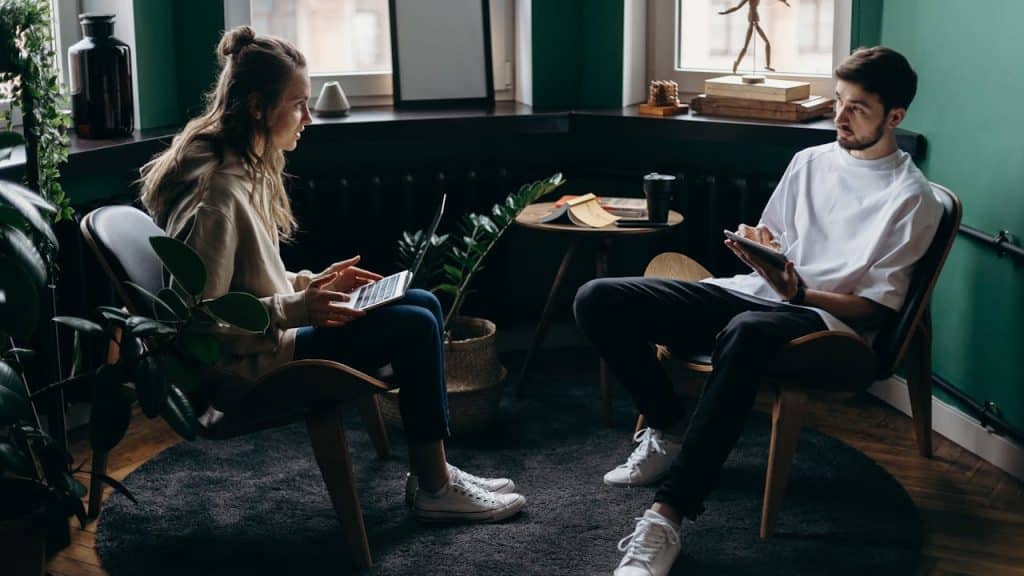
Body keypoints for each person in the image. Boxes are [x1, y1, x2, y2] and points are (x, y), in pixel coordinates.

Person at [573, 46, 941, 576]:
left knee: (744, 333)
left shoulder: (911, 198)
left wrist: (799, 295)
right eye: (838, 101)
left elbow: (872, 310)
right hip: (759, 292)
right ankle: (667, 424)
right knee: (598, 299)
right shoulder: (809, 161)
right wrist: (758, 244)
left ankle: (668, 515)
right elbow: (780, 236)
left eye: (857, 107)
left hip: (825, 323)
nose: (839, 116)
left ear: (895, 117)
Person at [139, 26, 525, 523]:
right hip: (248, 370)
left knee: (423, 303)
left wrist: (312, 283)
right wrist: (299, 307)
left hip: (273, 340)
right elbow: (198, 322)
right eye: (298, 103)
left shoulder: (244, 166)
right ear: (258, 107)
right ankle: (434, 485)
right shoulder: (218, 194)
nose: (308, 116)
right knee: (416, 325)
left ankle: (436, 471)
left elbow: (251, 280)